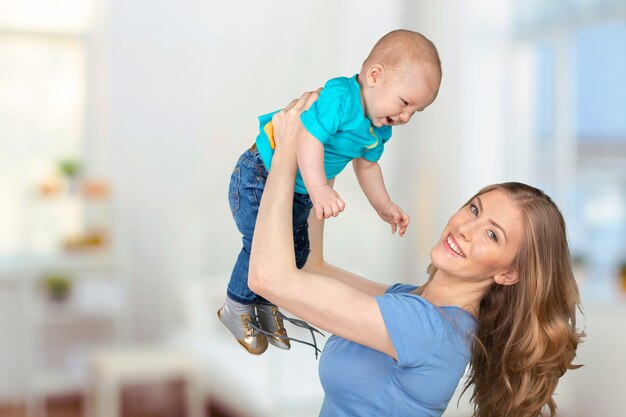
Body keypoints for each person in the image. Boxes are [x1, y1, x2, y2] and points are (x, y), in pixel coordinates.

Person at [248, 91, 583, 417]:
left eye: (492, 235)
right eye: (474, 210)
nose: (465, 228)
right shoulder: (414, 303)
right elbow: (311, 268)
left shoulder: (426, 328)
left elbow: (268, 278)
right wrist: (324, 148)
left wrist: (286, 156)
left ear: (508, 273)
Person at [219, 29, 442, 355]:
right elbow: (308, 137)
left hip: (295, 193)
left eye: (414, 112)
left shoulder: (379, 128)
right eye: (405, 102)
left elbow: (366, 166)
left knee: (295, 255)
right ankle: (234, 308)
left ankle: (265, 308)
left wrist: (383, 203)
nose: (405, 116)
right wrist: (321, 189)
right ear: (376, 76)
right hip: (259, 175)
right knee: (262, 246)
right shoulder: (342, 96)